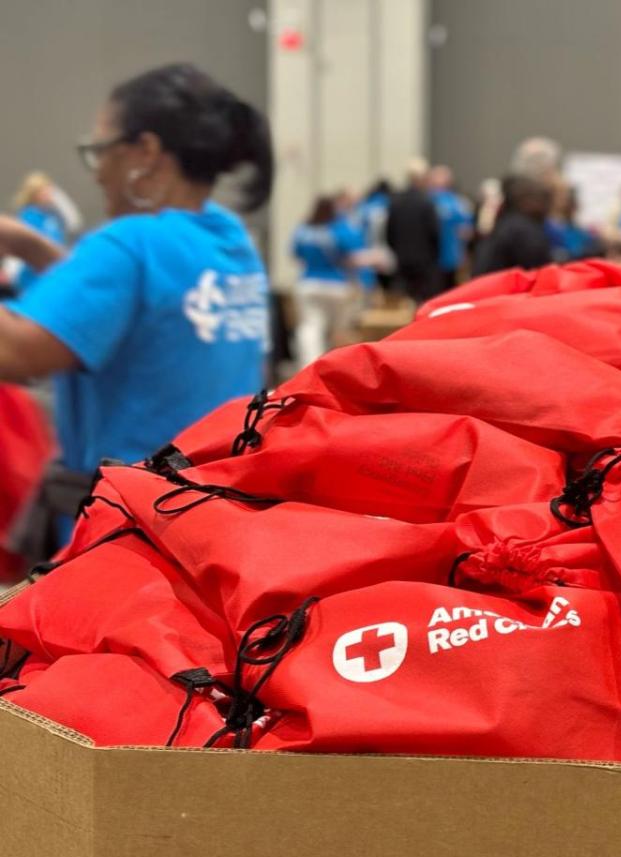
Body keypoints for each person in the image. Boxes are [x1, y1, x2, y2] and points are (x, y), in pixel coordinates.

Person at [0, 62, 274, 556]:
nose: (98, 169)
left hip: (125, 537)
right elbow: (134, 311)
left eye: (99, 151)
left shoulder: (130, 244)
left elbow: (18, 352)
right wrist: (37, 250)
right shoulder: (228, 238)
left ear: (145, 152)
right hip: (212, 519)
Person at [291, 194, 365, 367]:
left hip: (308, 283)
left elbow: (296, 255)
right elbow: (352, 258)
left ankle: (309, 366)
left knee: (311, 327)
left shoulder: (303, 230)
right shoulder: (340, 229)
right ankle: (334, 367)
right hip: (337, 285)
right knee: (337, 331)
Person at [385, 158, 441, 303]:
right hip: (424, 263)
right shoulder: (427, 203)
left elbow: (389, 233)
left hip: (402, 261)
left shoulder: (395, 202)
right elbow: (434, 233)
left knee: (402, 303)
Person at [473, 176, 553, 275]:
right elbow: (540, 272)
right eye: (542, 201)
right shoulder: (524, 230)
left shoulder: (506, 223)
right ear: (525, 201)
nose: (546, 208)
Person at [9, 173, 69, 293]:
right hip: (35, 282)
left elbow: (72, 221)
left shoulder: (50, 215)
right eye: (44, 190)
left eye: (50, 189)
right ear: (34, 194)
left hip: (53, 277)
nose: (50, 193)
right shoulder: (28, 217)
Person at [428, 165, 473, 291]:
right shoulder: (460, 203)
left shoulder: (428, 201)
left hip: (439, 260)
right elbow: (466, 232)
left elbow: (466, 232)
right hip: (448, 259)